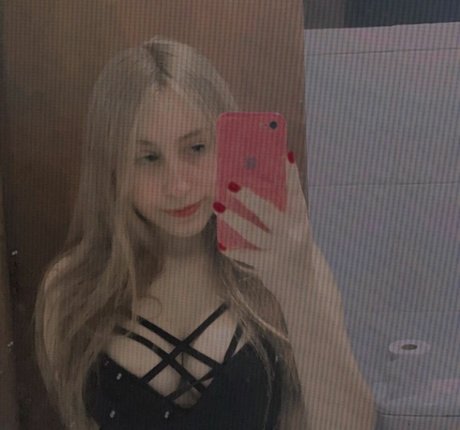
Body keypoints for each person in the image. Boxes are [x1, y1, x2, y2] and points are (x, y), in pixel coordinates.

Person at [34, 36, 376, 430]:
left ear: (226, 145)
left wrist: (297, 284)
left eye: (196, 148)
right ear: (112, 167)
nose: (178, 185)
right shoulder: (73, 289)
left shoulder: (289, 266)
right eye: (148, 158)